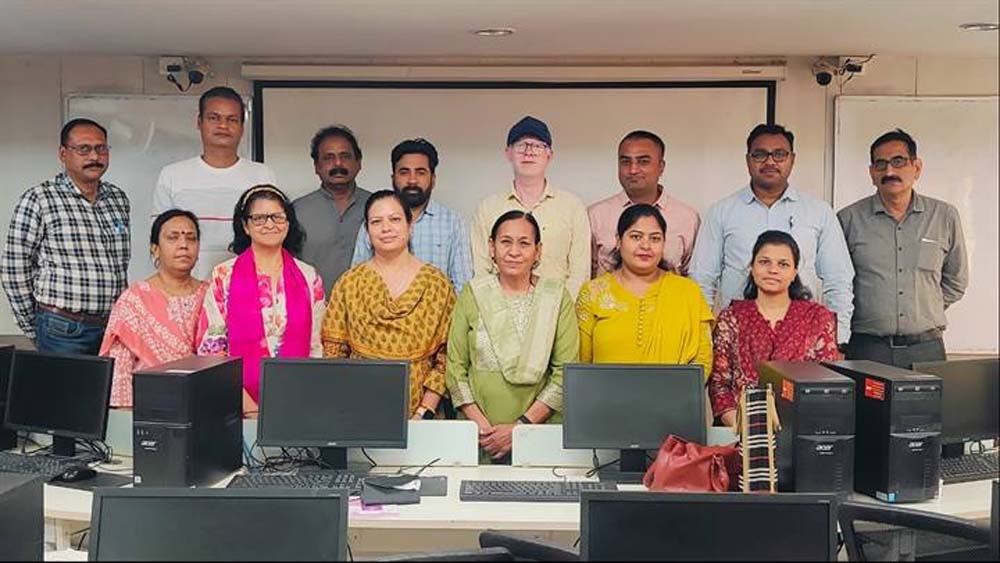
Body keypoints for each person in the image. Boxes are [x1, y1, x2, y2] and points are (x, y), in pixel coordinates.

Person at [689, 124, 854, 347]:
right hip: (738, 338)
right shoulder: (722, 212)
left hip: (803, 340)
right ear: (748, 160)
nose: (770, 162)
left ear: (792, 159)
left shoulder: (819, 212)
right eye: (760, 154)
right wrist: (703, 340)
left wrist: (839, 340)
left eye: (779, 154)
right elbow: (702, 280)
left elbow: (839, 280)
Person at [446, 211, 579, 462]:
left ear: (538, 251)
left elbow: (565, 373)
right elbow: (455, 368)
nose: (514, 252)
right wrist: (483, 429)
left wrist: (520, 429)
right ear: (492, 247)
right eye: (505, 242)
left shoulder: (556, 298)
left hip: (539, 434)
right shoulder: (473, 294)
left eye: (524, 243)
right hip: (478, 435)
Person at [837, 129, 968, 368]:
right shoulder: (848, 219)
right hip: (867, 348)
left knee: (928, 396)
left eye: (898, 162)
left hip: (926, 348)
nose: (889, 172)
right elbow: (838, 283)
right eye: (881, 164)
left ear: (916, 167)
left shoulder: (943, 216)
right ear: (872, 173)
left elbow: (956, 280)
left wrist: (924, 309)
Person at [1, 118, 130, 354]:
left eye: (101, 148)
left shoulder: (117, 199)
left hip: (111, 327)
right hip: (62, 329)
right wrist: (33, 324)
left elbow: (120, 266)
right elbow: (13, 268)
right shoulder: (40, 198)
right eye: (84, 149)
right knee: (67, 382)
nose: (94, 156)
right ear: (63, 154)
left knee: (112, 382)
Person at [323, 190, 456, 419]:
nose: (386, 228)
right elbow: (334, 353)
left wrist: (424, 412)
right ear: (367, 231)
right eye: (376, 222)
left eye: (394, 219)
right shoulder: (350, 283)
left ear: (410, 226)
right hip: (357, 412)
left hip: (423, 416)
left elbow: (447, 356)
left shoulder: (436, 284)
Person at [197, 185, 325, 415]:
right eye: (259, 218)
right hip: (237, 404)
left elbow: (316, 346)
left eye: (277, 217)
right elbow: (212, 349)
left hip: (298, 402)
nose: (269, 224)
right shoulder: (223, 276)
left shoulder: (308, 276)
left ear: (288, 223)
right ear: (245, 226)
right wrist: (249, 408)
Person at [708, 230, 839, 426]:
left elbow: (825, 385)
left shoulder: (817, 318)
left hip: (801, 428)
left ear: (794, 272)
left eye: (783, 264)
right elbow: (719, 384)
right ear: (752, 267)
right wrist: (743, 428)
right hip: (739, 428)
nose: (773, 270)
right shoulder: (731, 317)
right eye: (764, 262)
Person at [152, 86, 277, 279]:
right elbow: (160, 241)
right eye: (214, 118)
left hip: (247, 283)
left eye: (232, 120)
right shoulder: (172, 175)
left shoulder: (262, 175)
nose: (223, 126)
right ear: (199, 122)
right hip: (187, 284)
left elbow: (271, 237)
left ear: (242, 126)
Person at [577, 204, 713, 375]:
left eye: (655, 238)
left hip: (675, 391)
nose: (646, 246)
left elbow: (703, 359)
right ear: (618, 240)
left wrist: (677, 391)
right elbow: (581, 363)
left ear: (664, 243)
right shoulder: (593, 292)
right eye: (636, 237)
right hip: (604, 391)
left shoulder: (688, 292)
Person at [470, 115, 591, 297]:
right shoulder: (487, 208)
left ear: (549, 155)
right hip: (500, 310)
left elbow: (580, 273)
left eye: (537, 146)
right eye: (521, 145)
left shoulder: (572, 207)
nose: (529, 152)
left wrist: (559, 308)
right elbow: (481, 272)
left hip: (559, 308)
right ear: (508, 153)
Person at [100, 210, 207, 408]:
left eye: (191, 238)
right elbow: (119, 369)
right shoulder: (134, 300)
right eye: (173, 237)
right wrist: (125, 414)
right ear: (155, 249)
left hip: (204, 401)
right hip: (149, 404)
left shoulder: (212, 295)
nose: (183, 245)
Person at [352, 138, 473, 293]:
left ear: (433, 179)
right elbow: (357, 281)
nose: (412, 180)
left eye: (420, 172)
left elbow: (463, 287)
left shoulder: (453, 223)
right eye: (404, 172)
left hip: (438, 307)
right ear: (393, 178)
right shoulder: (375, 222)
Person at [589, 130, 700, 276]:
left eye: (643, 161)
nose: (633, 170)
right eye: (625, 162)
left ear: (661, 167)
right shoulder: (595, 215)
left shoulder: (687, 218)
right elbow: (586, 274)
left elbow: (693, 277)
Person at [294, 125, 372, 294]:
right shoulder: (296, 211)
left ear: (359, 163)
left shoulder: (378, 208)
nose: (338, 163)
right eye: (328, 158)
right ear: (316, 166)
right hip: (314, 306)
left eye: (345, 156)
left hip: (369, 306)